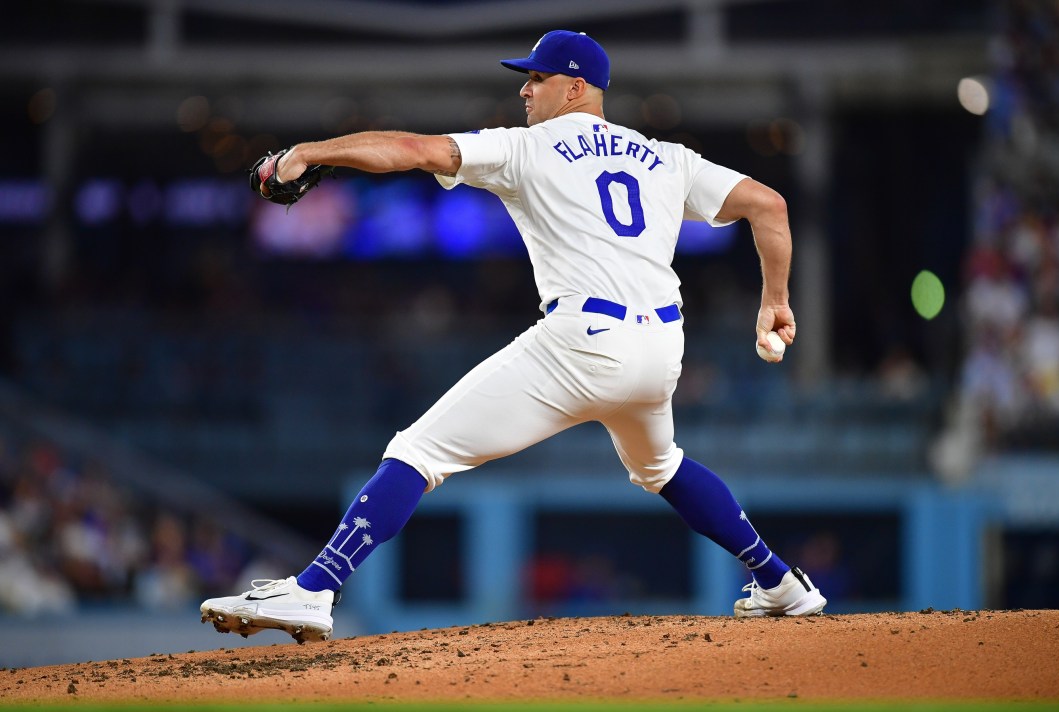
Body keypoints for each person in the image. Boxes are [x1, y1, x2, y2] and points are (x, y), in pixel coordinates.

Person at [201, 30, 826, 643]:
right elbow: (768, 204)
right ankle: (780, 582)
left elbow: (412, 149)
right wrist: (774, 301)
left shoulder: (528, 149)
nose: (525, 92)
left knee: (419, 451)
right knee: (661, 465)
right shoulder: (665, 156)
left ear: (576, 87)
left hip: (583, 340)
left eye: (537, 78)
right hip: (662, 349)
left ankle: (313, 590)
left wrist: (312, 151)